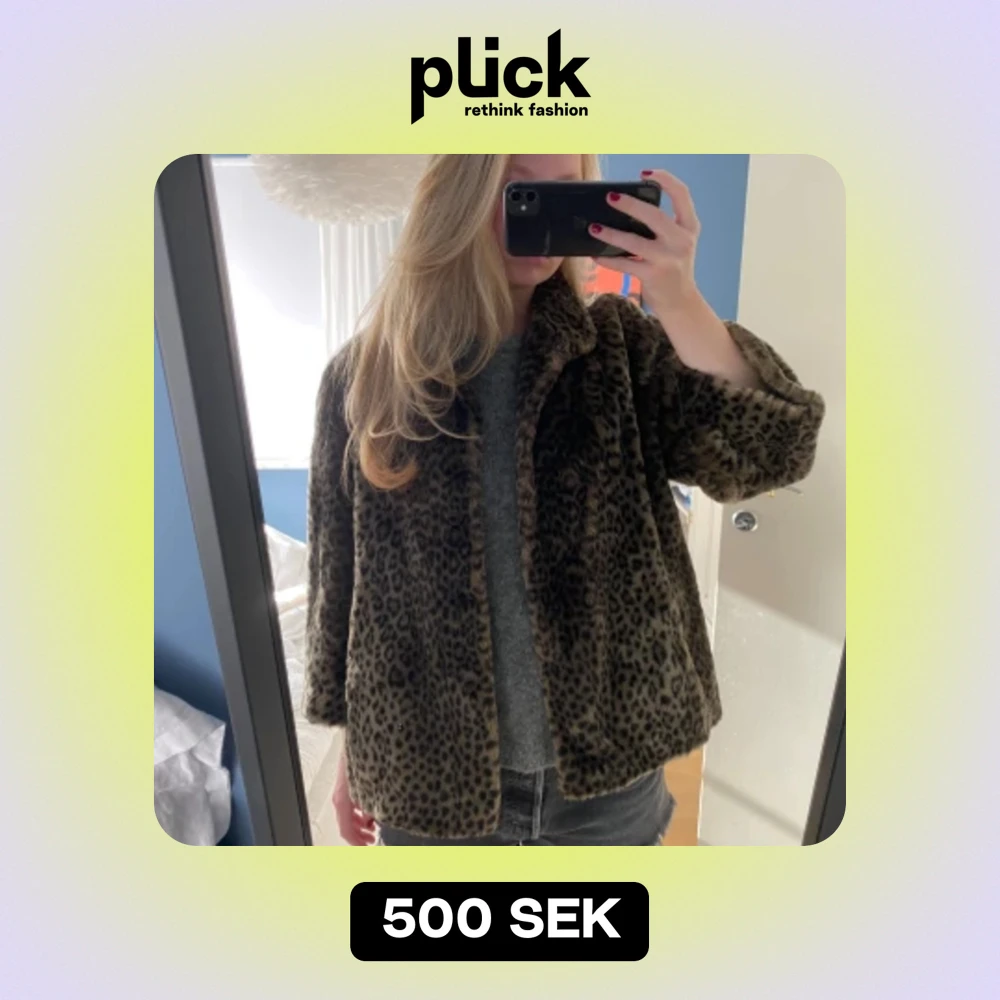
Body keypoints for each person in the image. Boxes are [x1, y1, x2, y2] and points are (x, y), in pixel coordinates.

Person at [303, 154, 825, 846]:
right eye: (517, 187)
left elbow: (774, 450)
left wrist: (678, 298)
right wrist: (352, 756)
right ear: (457, 193)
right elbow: (343, 591)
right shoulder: (365, 376)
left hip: (607, 777)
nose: (541, 213)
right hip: (429, 775)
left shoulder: (618, 350)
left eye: (565, 191)